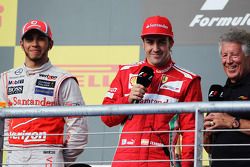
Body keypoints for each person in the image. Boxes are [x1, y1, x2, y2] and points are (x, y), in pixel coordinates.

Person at [101, 15, 202, 167]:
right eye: (150, 42)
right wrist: (127, 100)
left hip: (161, 160)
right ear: (143, 43)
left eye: (161, 42)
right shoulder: (125, 72)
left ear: (171, 44)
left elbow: (191, 133)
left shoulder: (187, 80)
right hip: (125, 160)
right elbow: (106, 118)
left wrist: (187, 165)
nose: (155, 48)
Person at [0, 20, 88, 167]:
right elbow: (3, 122)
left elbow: (79, 128)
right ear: (22, 44)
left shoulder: (63, 79)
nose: (34, 43)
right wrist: (12, 149)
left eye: (40, 38)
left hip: (48, 157)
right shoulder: (7, 78)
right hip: (14, 158)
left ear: (50, 44)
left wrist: (59, 159)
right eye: (29, 39)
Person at [204, 28, 250, 167]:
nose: (228, 61)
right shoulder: (218, 93)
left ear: (248, 56)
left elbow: (229, 122)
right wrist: (206, 135)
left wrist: (232, 122)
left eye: (234, 55)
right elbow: (209, 149)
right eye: (224, 55)